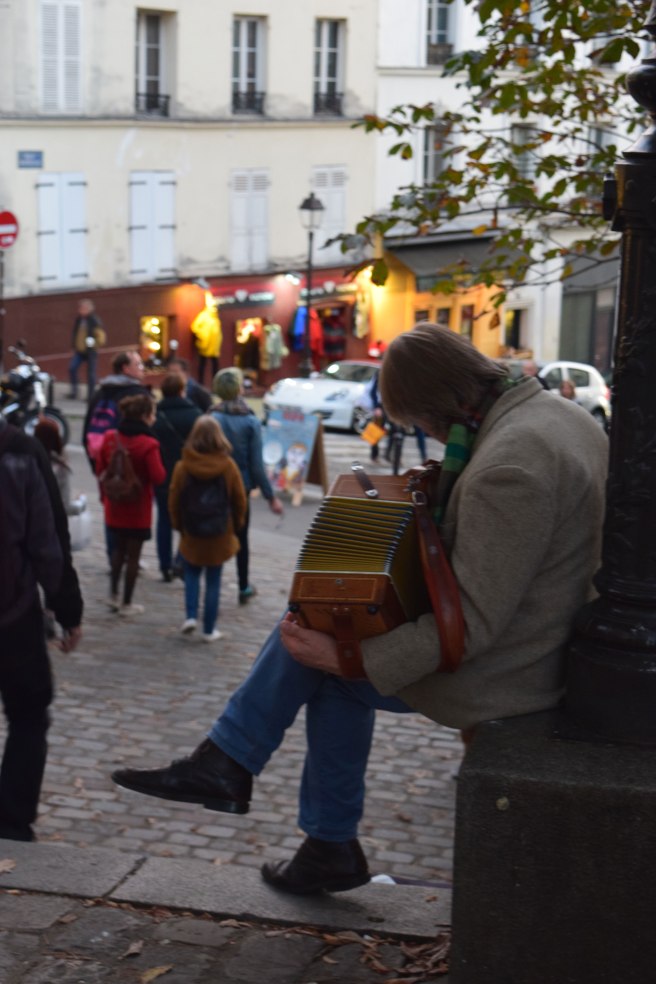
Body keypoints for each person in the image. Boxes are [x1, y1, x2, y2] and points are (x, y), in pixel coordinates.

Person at [112, 323, 608, 896]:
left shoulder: (511, 463)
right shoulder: (556, 416)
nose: (424, 432)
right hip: (542, 632)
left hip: (518, 668)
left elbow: (470, 626)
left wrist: (352, 656)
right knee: (318, 633)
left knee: (327, 665)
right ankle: (269, 796)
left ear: (441, 403)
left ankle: (272, 797)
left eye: (421, 422)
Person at [0, 418, 83, 842]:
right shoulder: (19, 451)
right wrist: (68, 608)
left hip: (13, 609)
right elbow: (49, 542)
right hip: (11, 612)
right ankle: (11, 819)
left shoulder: (22, 451)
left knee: (29, 713)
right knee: (29, 713)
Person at [168, 416, 247, 642]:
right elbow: (239, 499)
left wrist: (178, 525)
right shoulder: (228, 466)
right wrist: (237, 524)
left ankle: (191, 616)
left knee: (191, 573)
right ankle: (209, 629)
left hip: (191, 530)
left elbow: (174, 499)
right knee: (214, 579)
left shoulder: (183, 466)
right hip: (220, 530)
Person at [209, 368, 283, 604]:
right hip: (241, 487)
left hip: (215, 484)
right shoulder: (250, 420)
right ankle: (243, 586)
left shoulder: (211, 417)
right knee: (241, 538)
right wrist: (270, 496)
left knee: (212, 531)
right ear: (239, 389)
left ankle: (203, 578)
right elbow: (256, 464)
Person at [96, 394, 166, 616]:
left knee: (118, 550)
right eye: (153, 413)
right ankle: (127, 602)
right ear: (145, 416)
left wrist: (103, 497)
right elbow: (158, 477)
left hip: (114, 504)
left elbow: (101, 470)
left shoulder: (109, 437)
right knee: (133, 556)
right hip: (138, 506)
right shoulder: (149, 444)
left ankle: (113, 594)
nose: (154, 418)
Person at [83, 351, 151, 564]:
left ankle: (114, 555)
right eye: (138, 364)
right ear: (125, 368)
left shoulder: (100, 392)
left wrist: (96, 464)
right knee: (133, 510)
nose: (142, 368)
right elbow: (147, 429)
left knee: (110, 506)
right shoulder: (138, 394)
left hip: (104, 460)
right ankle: (130, 557)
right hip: (132, 462)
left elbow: (87, 430)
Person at [152, 373, 201, 581]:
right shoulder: (195, 415)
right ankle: (181, 560)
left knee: (164, 519)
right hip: (188, 476)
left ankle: (164, 565)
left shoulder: (156, 416)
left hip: (162, 475)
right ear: (182, 390)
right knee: (188, 522)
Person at [67, 299, 106, 401]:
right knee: (72, 368)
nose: (80, 310)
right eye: (80, 308)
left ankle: (91, 395)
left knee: (91, 374)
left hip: (90, 352)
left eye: (83, 308)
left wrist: (93, 346)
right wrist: (73, 347)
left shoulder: (94, 320)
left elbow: (101, 337)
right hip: (79, 351)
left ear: (89, 309)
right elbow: (75, 334)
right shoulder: (79, 319)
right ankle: (74, 391)